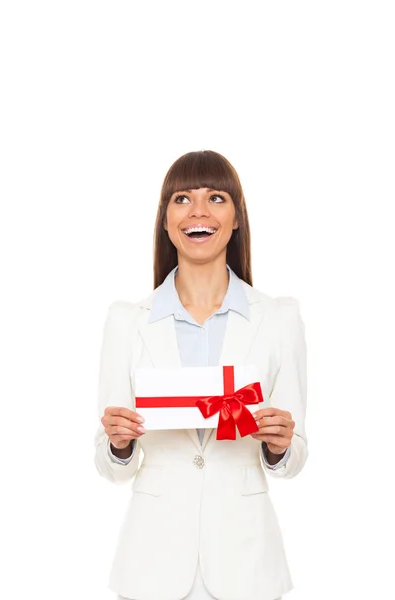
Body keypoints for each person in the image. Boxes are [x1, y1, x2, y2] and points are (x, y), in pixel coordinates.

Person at [94, 150, 308, 600]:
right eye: (182, 200)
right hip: (151, 561)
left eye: (215, 198)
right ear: (166, 221)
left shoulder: (279, 317)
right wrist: (118, 443)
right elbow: (112, 467)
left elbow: (294, 458)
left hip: (247, 561)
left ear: (236, 219)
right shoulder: (126, 321)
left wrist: (279, 446)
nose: (198, 212)